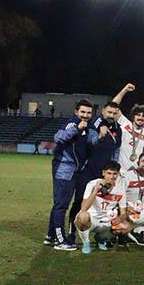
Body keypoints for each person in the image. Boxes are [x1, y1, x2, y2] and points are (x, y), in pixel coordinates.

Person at [66, 101, 123, 244]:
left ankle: (103, 235)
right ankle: (71, 232)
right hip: (88, 170)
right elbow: (90, 143)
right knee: (80, 201)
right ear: (103, 111)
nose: (111, 115)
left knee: (108, 202)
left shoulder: (118, 130)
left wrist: (115, 169)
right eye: (109, 112)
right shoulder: (94, 123)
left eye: (114, 113)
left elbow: (116, 151)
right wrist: (100, 136)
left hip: (105, 173)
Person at [46, 99, 94, 250]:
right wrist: (76, 129)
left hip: (75, 171)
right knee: (61, 205)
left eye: (88, 113)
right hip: (65, 170)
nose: (85, 115)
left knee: (63, 204)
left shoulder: (87, 127)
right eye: (83, 112)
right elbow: (58, 138)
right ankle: (60, 241)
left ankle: (50, 236)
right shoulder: (72, 124)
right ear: (76, 112)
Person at [73, 161, 133, 254]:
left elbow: (123, 213)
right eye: (109, 173)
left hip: (106, 221)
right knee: (82, 216)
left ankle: (101, 239)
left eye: (114, 174)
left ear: (118, 174)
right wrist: (96, 190)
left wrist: (119, 219)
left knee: (126, 227)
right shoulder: (92, 184)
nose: (111, 177)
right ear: (103, 173)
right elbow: (84, 208)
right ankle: (86, 242)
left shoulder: (120, 189)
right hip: (91, 219)